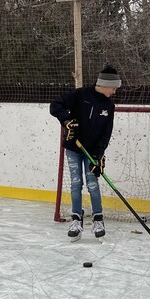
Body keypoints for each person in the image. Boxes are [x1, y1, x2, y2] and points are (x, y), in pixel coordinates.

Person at [49, 65, 120, 241]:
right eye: (113, 88)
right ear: (104, 85)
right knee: (75, 183)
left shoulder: (109, 106)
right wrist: (66, 120)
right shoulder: (81, 95)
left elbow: (106, 133)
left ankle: (98, 219)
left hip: (91, 151)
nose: (114, 91)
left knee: (92, 183)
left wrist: (98, 155)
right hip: (74, 147)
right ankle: (76, 220)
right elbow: (55, 105)